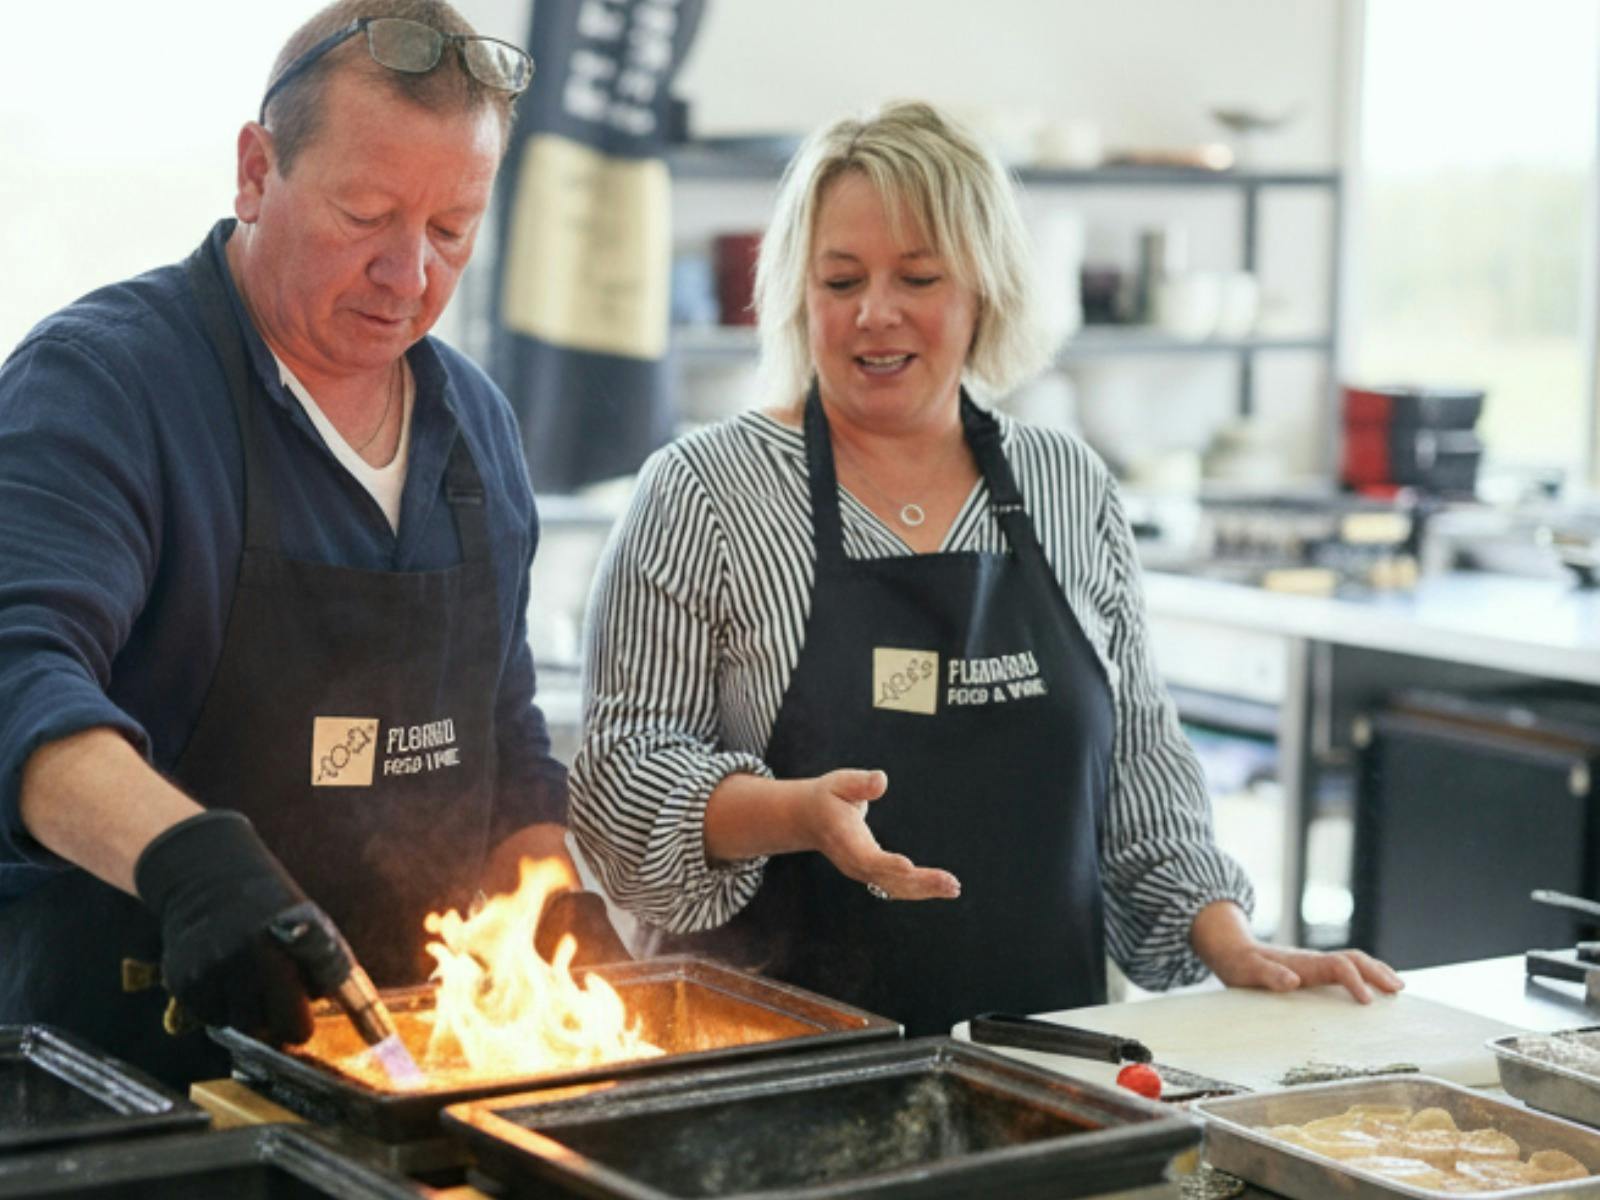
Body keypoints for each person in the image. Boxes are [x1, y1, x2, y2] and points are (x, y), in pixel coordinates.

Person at [570, 101, 1402, 1036]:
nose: (873, 313)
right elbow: (620, 785)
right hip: (768, 1073)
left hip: (1043, 1071)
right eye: (840, 279)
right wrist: (793, 814)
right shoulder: (705, 493)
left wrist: (1229, 941)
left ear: (987, 290)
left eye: (916, 277)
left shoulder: (1065, 484)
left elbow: (1139, 770)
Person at [0, 0, 572, 1087]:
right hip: (125, 1078)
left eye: (452, 231)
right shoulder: (105, 384)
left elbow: (503, 740)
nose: (409, 277)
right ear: (256, 171)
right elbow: (17, 675)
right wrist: (189, 868)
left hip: (407, 1083)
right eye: (365, 215)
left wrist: (551, 905)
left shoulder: (477, 428)